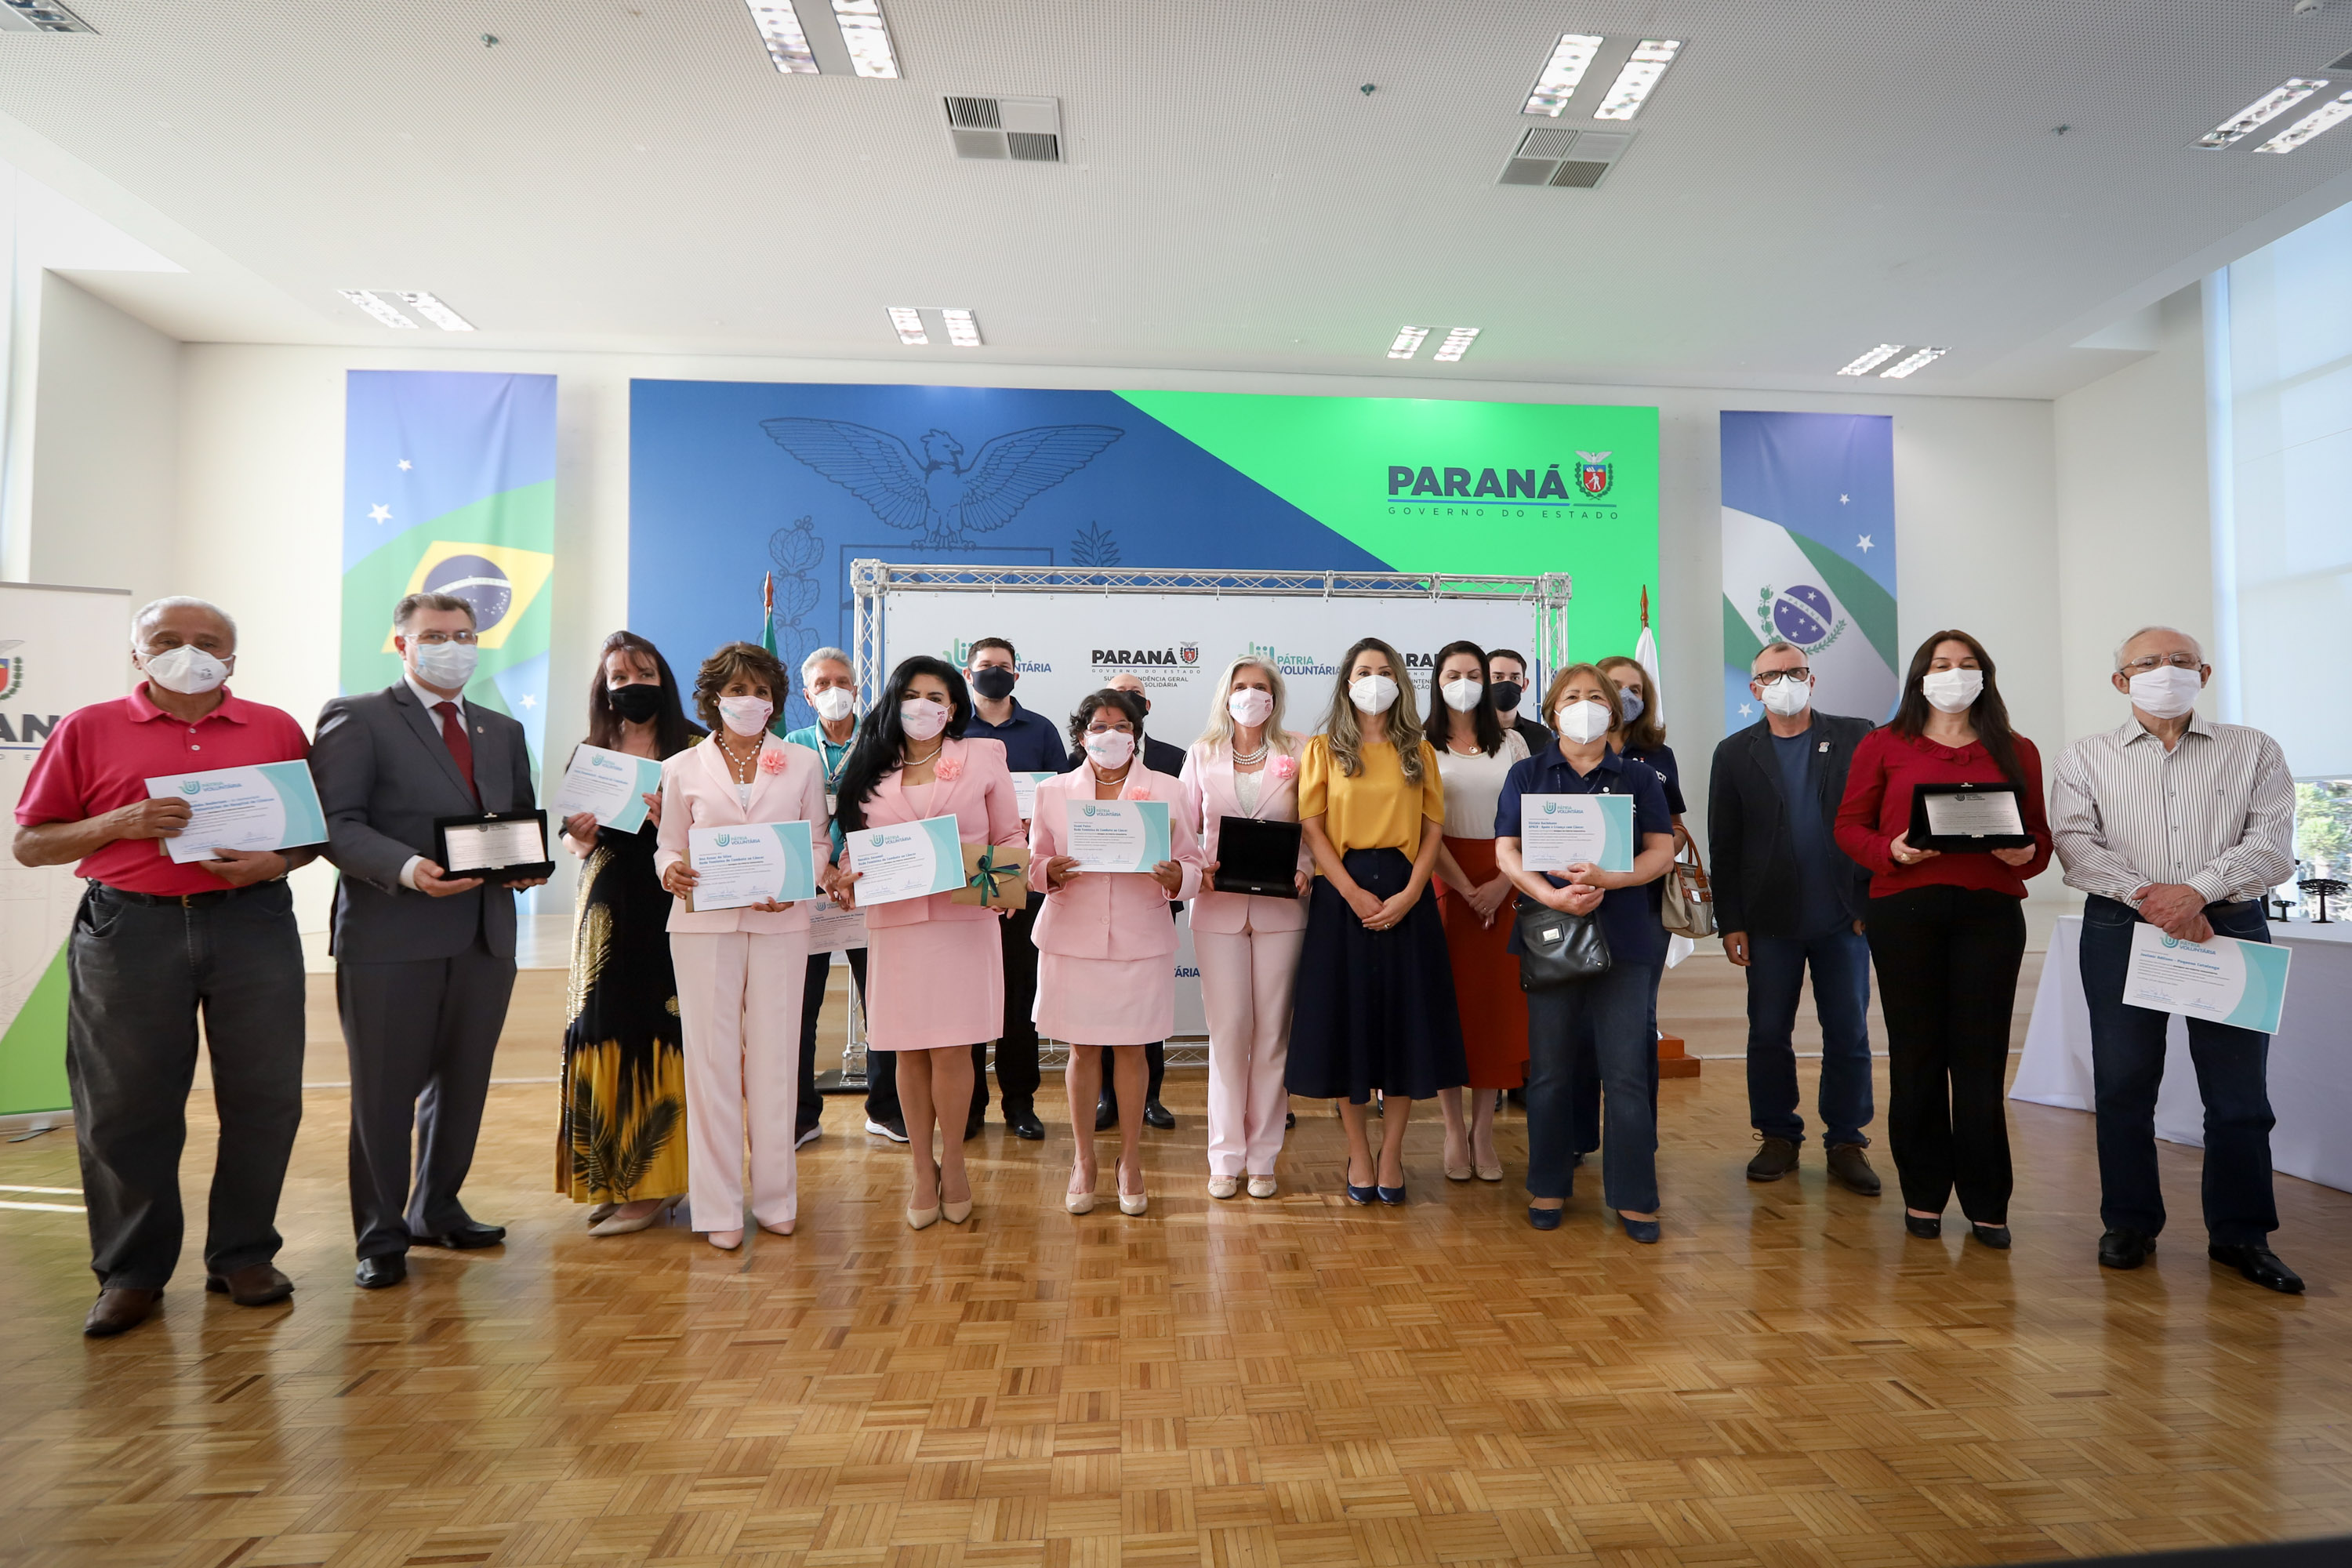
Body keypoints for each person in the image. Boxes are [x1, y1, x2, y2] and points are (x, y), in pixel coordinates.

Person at [13, 597, 314, 1338]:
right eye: (169, 640)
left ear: (233, 659)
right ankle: (132, 1272)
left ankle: (243, 1255)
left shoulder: (275, 727)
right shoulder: (88, 728)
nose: (190, 651)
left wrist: (276, 861)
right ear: (137, 653)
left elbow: (310, 836)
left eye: (208, 642)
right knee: (124, 1109)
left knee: (265, 1098)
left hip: (253, 925)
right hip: (129, 929)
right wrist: (121, 823)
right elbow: (32, 843)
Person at [2049, 626, 2302, 1292]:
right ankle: (2129, 1223)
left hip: (2232, 927)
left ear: (2206, 673)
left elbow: (2272, 846)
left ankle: (2241, 1235)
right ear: (2120, 680)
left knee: (2240, 1097)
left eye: (2182, 662)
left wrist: (2197, 893)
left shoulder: (2255, 750)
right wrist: (2151, 896)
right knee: (2125, 1085)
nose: (2167, 671)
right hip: (2120, 926)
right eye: (2150, 663)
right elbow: (2075, 846)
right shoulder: (2084, 757)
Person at [311, 591, 545, 1290]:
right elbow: (335, 823)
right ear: (401, 644)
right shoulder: (358, 716)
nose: (453, 646)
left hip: (484, 935)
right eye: (436, 635)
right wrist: (410, 870)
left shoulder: (501, 729)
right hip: (391, 933)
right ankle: (380, 1236)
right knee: (383, 1094)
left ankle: (436, 1207)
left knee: (463, 1085)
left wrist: (524, 866)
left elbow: (515, 818)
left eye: (465, 634)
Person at [1835, 630, 2050, 1250]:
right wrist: (1891, 850)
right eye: (1941, 665)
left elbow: (2038, 838)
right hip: (1905, 911)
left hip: (1989, 914)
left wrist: (2026, 853)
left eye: (1967, 664)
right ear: (1919, 678)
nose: (1954, 674)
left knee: (1980, 1062)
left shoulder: (2017, 749)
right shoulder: (1883, 745)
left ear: (1985, 674)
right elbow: (1849, 826)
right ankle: (1924, 1195)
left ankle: (1989, 1202)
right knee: (1917, 1056)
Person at [833, 655, 1024, 1229]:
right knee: (908, 1051)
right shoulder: (869, 764)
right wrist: (846, 875)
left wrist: (1002, 885)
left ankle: (957, 1164)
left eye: (936, 696)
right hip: (895, 925)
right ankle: (922, 1169)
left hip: (963, 924)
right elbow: (852, 846)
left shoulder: (983, 756)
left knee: (954, 1049)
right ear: (896, 702)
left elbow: (1010, 835)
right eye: (912, 695)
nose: (924, 706)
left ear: (954, 706)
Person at [652, 642, 829, 1248]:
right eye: (736, 691)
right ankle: (719, 1207)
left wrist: (798, 882)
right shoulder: (680, 767)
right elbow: (669, 844)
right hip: (702, 928)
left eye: (759, 691)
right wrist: (669, 869)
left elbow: (819, 843)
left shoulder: (803, 764)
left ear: (775, 698)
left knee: (779, 1060)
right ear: (713, 700)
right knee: (712, 1065)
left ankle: (777, 1198)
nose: (749, 701)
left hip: (782, 924)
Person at [1495, 665, 1677, 1240]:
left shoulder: (1640, 779)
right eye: (1572, 697)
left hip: (1625, 939)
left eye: (1596, 697)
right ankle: (1547, 1184)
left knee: (1625, 1073)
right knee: (1549, 1072)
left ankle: (1634, 1196)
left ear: (1614, 713)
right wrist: (1551, 894)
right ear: (1552, 712)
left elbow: (1662, 851)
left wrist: (1614, 879)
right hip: (1551, 937)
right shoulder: (1526, 773)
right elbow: (1506, 850)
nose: (1585, 706)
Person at [1286, 637, 1467, 1204]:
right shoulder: (1320, 750)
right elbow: (1312, 828)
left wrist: (1414, 892)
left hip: (1407, 890)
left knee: (1405, 1027)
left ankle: (1392, 1155)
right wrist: (1349, 891)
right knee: (1349, 1026)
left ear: (1400, 682)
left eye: (1385, 671)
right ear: (1346, 681)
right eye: (1364, 671)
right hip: (1343, 896)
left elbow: (1433, 829)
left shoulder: (1420, 750)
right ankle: (1358, 1155)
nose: (1374, 680)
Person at [1706, 641, 1880, 1195]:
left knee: (1849, 1032)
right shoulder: (1733, 753)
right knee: (1768, 1032)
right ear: (1754, 689)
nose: (1786, 681)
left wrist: (1870, 903)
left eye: (1795, 671)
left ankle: (1847, 1140)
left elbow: (1881, 817)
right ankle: (1778, 1135)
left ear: (1812, 677)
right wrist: (1730, 920)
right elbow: (1724, 844)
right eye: (1772, 675)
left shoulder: (1857, 736)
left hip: (1843, 917)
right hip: (1768, 921)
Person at [1031, 689, 1203, 1216]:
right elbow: (1033, 864)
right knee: (1081, 1052)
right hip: (1072, 938)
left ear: (1136, 733)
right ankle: (1084, 1161)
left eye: (1122, 726)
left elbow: (1194, 864)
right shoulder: (1053, 792)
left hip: (1139, 938)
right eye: (1100, 726)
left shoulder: (1168, 790)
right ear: (1081, 735)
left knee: (1132, 1051)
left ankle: (1131, 1160)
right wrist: (1048, 873)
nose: (1111, 736)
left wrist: (1179, 877)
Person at [556, 632, 702, 1237]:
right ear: (604, 688)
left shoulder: (696, 748)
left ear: (662, 679)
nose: (631, 684)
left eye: (642, 672)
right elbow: (572, 842)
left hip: (671, 907)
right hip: (604, 910)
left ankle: (657, 1184)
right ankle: (613, 1179)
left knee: (659, 1030)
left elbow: (724, 832)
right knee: (600, 1028)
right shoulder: (591, 751)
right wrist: (582, 834)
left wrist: (673, 820)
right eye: (618, 676)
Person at [1180, 657, 1310, 1199]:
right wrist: (1197, 868)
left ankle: (1264, 1158)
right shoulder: (1201, 753)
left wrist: (1305, 867)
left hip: (1284, 909)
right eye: (1241, 687)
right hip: (1217, 909)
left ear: (1275, 697)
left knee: (1273, 1035)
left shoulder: (1301, 751)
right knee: (1230, 1032)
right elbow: (1185, 826)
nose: (1250, 695)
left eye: (1260, 687)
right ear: (1225, 695)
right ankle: (1225, 1156)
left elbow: (1315, 823)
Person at [784, 648, 902, 1145]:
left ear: (857, 689)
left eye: (843, 681)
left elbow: (893, 811)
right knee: (800, 1007)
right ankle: (801, 1115)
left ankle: (887, 1108)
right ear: (809, 695)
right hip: (807, 891)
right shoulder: (791, 746)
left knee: (883, 1003)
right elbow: (783, 818)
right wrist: (824, 870)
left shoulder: (881, 744)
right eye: (823, 683)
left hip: (868, 887)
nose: (834, 690)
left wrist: (851, 867)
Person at [1425, 641, 1529, 1184]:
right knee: (1450, 1007)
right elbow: (1423, 827)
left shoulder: (1512, 744)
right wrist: (1465, 887)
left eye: (1473, 673)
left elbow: (1529, 824)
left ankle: (1484, 1128)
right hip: (1442, 880)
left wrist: (1497, 886)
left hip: (1505, 880)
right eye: (1452, 673)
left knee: (1494, 1008)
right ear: (1437, 682)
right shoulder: (1419, 744)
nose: (1463, 681)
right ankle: (1449, 1126)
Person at [960, 637, 1062, 1142]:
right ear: (967, 672)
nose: (993, 673)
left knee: (1019, 993)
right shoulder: (953, 732)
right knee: (973, 992)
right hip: (972, 870)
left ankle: (1019, 1102)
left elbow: (1061, 801)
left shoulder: (1040, 730)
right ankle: (970, 1104)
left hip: (1025, 871)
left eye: (1003, 667)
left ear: (1017, 675)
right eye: (985, 666)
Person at [1091, 670, 1186, 1133]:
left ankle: (1151, 1097)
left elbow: (1187, 833)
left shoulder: (1173, 759)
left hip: (1150, 898)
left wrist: (1177, 876)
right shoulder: (1077, 764)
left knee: (1144, 1012)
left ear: (1144, 711)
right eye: (1116, 696)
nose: (1125, 703)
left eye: (1134, 698)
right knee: (1103, 1012)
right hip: (1091, 906)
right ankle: (1108, 1097)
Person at [1487, 648, 1552, 755]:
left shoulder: (1541, 735)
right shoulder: (1469, 733)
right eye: (1498, 677)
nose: (1507, 683)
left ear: (1524, 684)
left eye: (1515, 678)